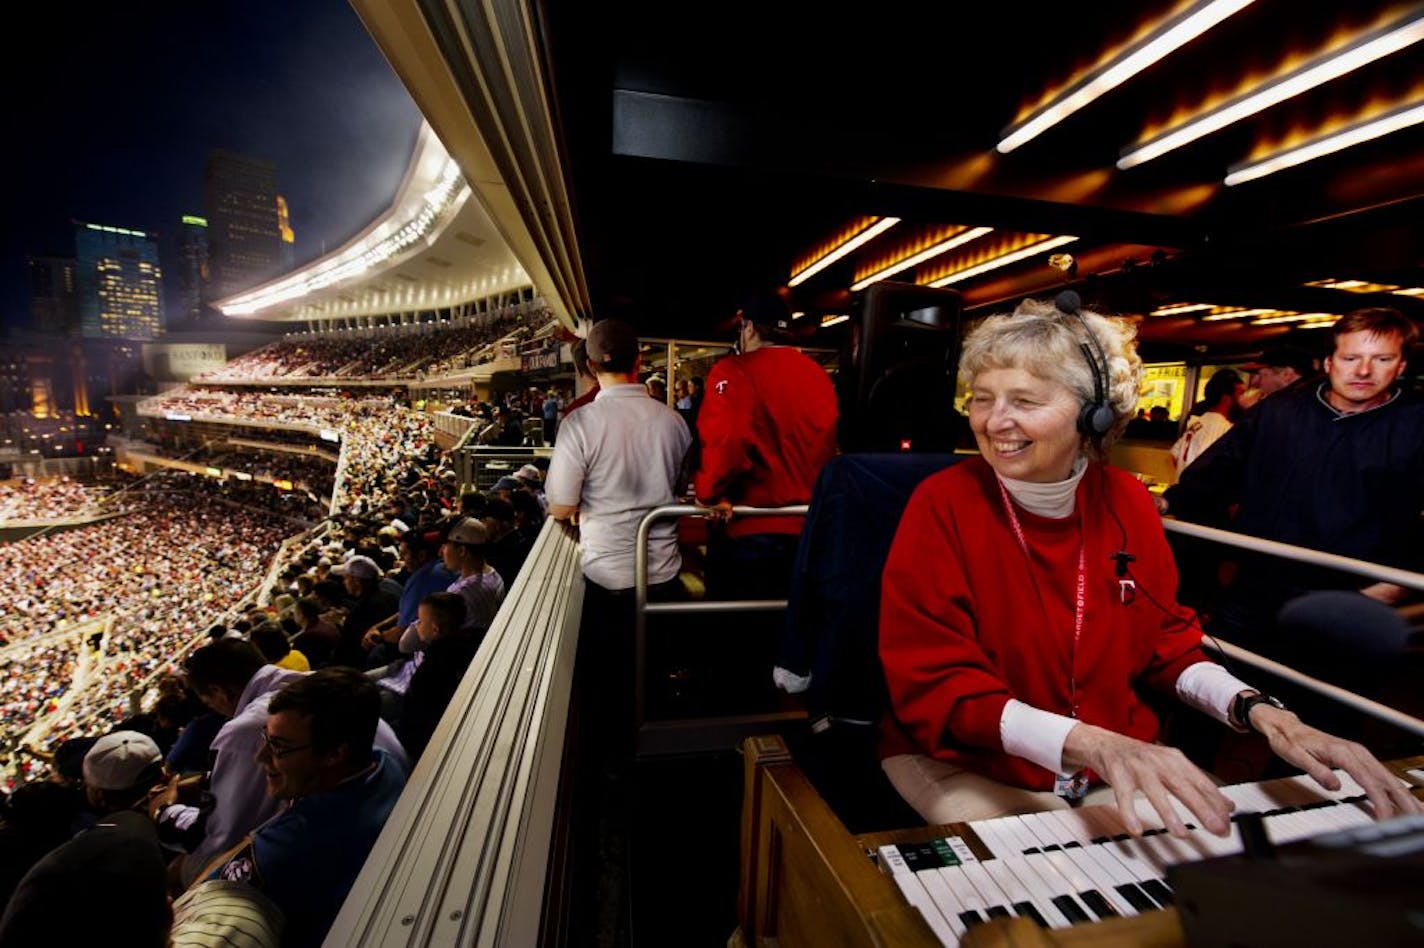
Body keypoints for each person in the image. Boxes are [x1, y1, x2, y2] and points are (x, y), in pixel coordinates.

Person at [877, 293, 1419, 835]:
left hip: (1103, 761)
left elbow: (1166, 643)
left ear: (1095, 414)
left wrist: (1262, 711)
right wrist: (1093, 742)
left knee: (1214, 860)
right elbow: (938, 685)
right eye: (982, 398)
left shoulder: (1128, 502)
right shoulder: (941, 502)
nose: (995, 422)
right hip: (968, 762)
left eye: (1024, 400)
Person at [1161, 307, 1424, 690]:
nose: (1363, 371)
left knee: (1318, 709)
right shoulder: (1281, 410)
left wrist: (1399, 579)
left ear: (1400, 366)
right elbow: (1222, 467)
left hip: (1344, 594)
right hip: (1256, 586)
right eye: (1351, 358)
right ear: (1329, 362)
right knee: (1210, 689)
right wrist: (1169, 503)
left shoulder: (1415, 425)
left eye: (1381, 359)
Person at [209, 668, 407, 948]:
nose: (260, 757)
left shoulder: (290, 844)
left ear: (335, 754)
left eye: (279, 747)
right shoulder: (383, 763)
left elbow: (209, 897)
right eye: (265, 738)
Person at [695, 291, 838, 602]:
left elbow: (727, 443)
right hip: (808, 531)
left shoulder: (733, 371)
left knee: (739, 635)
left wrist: (709, 494)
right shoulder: (819, 377)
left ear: (748, 328)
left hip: (749, 530)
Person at [394, 592, 480, 763]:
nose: (416, 625)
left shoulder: (430, 670)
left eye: (419, 621)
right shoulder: (470, 642)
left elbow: (412, 720)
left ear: (435, 629)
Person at [1169, 368, 1242, 473]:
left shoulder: (1199, 422)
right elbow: (1204, 465)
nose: (1243, 398)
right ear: (1226, 397)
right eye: (1240, 393)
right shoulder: (1221, 427)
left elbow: (1175, 455)